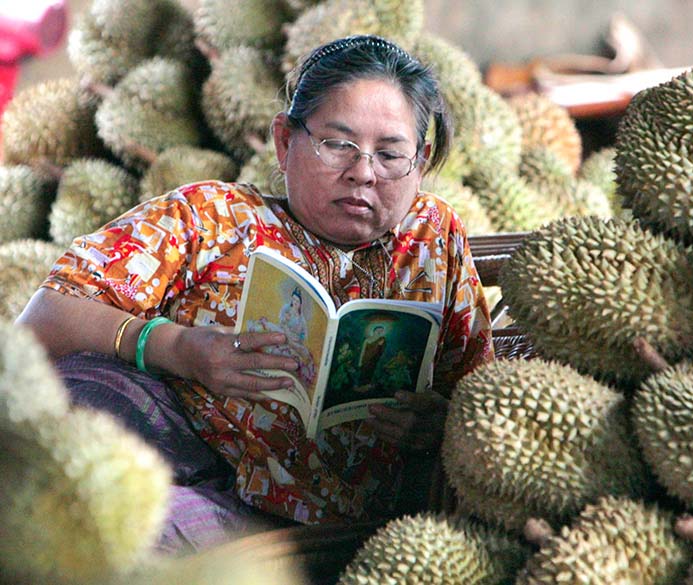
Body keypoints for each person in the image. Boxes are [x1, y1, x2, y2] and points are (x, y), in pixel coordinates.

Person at [16, 34, 494, 556]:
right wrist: (176, 346)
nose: (363, 172)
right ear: (286, 142)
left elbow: (483, 396)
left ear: (420, 163)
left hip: (320, 533)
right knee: (73, 406)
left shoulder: (432, 238)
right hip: (182, 448)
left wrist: (437, 422)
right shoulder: (212, 216)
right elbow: (41, 320)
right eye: (338, 144)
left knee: (140, 535)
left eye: (391, 154)